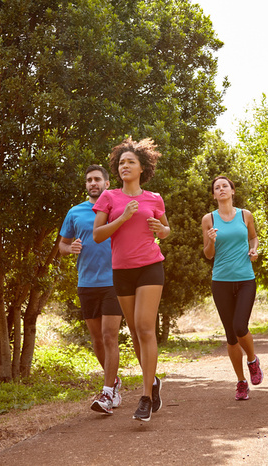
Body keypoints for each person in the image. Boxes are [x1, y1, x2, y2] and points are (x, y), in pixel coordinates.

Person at [92, 137, 170, 422]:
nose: (125, 166)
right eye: (121, 162)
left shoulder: (154, 198)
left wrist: (160, 229)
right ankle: (153, 382)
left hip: (150, 266)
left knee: (144, 327)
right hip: (121, 270)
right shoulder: (109, 198)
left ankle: (146, 397)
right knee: (136, 334)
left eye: (131, 162)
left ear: (142, 167)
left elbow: (165, 230)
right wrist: (123, 217)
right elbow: (98, 235)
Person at [59, 165, 123, 415]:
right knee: (97, 340)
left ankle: (107, 393)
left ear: (107, 184)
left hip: (115, 281)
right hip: (87, 283)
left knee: (109, 336)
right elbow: (62, 246)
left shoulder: (117, 210)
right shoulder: (75, 213)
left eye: (97, 179)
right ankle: (114, 382)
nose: (93, 183)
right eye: (89, 180)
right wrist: (70, 248)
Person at [201, 175, 264, 401]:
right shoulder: (208, 219)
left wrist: (254, 250)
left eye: (224, 186)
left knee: (240, 326)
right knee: (230, 336)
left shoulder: (245, 215)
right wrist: (210, 241)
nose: (221, 190)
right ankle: (240, 381)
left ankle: (252, 360)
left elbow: (254, 238)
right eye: (217, 188)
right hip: (221, 281)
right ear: (214, 194)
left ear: (232, 191)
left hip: (246, 278)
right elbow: (208, 254)